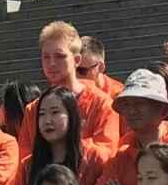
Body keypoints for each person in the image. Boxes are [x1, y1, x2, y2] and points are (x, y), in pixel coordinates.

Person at [20, 21, 122, 155]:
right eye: (46, 57)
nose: (51, 63)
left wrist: (66, 143)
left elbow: (107, 155)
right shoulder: (34, 109)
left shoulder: (101, 104)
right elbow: (25, 160)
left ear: (77, 60)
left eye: (60, 56)